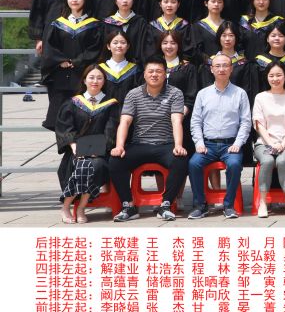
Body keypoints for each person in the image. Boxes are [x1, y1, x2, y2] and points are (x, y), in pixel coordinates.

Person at [108, 58, 189, 222]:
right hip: (140, 144)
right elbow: (125, 122)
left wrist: (178, 145)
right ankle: (128, 206)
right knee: (115, 161)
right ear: (144, 74)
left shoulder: (175, 93)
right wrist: (119, 146)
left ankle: (165, 205)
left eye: (159, 71)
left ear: (165, 74)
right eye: (150, 71)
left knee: (180, 159)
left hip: (165, 144)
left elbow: (176, 121)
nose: (154, 75)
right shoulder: (134, 94)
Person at [187, 53, 250, 219]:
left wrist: (238, 143)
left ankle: (228, 205)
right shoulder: (203, 94)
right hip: (207, 145)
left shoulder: (240, 93)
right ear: (211, 69)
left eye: (225, 65)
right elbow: (195, 122)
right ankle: (201, 205)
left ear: (231, 69)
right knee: (194, 164)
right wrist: (199, 143)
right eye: (217, 66)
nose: (221, 69)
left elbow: (245, 122)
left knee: (234, 165)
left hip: (230, 145)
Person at [55, 65, 119, 224]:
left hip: (101, 153)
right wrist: (74, 147)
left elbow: (111, 130)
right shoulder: (73, 103)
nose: (95, 81)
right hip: (75, 151)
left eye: (99, 78)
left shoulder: (111, 104)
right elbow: (65, 128)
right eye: (91, 77)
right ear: (84, 80)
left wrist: (99, 149)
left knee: (93, 166)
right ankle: (69, 208)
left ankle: (79, 207)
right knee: (82, 165)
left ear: (104, 81)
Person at [41, 0, 103, 133]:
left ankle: (81, 147)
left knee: (82, 117)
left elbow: (94, 48)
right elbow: (49, 47)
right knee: (60, 118)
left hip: (82, 76)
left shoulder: (94, 25)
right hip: (60, 76)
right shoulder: (58, 24)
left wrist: (75, 62)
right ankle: (65, 147)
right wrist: (60, 60)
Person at [251, 61, 285, 217]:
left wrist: (282, 144)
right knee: (267, 161)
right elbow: (259, 124)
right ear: (267, 77)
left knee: (282, 160)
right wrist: (272, 143)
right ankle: (262, 203)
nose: (275, 79)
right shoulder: (260, 97)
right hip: (264, 143)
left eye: (279, 75)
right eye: (271, 75)